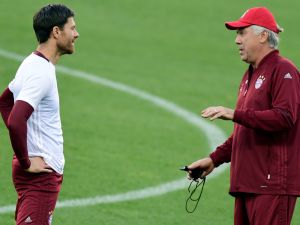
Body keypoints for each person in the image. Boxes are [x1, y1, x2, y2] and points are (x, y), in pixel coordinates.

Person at [187, 7, 300, 225]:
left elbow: (285, 117)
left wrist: (235, 114)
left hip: (271, 185)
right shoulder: (249, 76)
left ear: (263, 35)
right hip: (246, 184)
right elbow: (245, 130)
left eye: (242, 33)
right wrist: (213, 160)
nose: (237, 41)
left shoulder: (284, 70)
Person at [0, 4, 79, 225]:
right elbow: (16, 119)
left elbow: (4, 101)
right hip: (40, 178)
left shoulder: (31, 63)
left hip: (40, 173)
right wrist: (26, 160)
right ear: (56, 31)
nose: (76, 34)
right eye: (72, 28)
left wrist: (27, 145)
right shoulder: (41, 72)